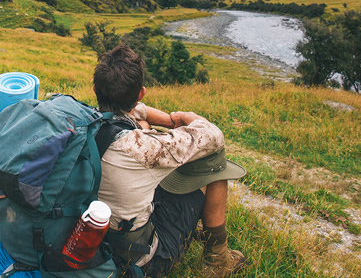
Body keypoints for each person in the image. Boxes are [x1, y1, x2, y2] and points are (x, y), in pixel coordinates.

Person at [93, 45, 248, 278]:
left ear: (95, 89)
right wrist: (182, 118)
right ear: (141, 93)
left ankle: (193, 225)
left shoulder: (86, 121)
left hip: (96, 238)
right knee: (216, 172)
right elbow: (213, 136)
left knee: (144, 126)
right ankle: (218, 261)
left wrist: (161, 118)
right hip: (144, 258)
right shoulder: (143, 148)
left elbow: (133, 112)